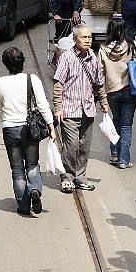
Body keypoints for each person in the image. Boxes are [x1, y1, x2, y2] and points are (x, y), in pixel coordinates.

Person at [0, 47, 57, 215]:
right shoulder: (32, 79)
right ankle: (35, 189)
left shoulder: (0, 82)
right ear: (23, 62)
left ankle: (23, 206)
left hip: (10, 129)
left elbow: (0, 107)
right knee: (31, 163)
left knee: (17, 169)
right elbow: (43, 106)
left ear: (5, 65)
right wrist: (51, 127)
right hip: (29, 130)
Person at [53, 24, 108, 193]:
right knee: (71, 145)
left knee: (84, 145)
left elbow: (98, 83)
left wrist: (104, 102)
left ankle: (80, 177)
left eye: (89, 37)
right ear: (75, 39)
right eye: (84, 37)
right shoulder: (67, 57)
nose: (88, 40)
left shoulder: (93, 56)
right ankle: (67, 177)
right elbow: (58, 83)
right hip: (69, 109)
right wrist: (58, 107)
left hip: (88, 109)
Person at [98, 18, 136, 169]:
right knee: (126, 125)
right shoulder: (132, 45)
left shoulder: (103, 48)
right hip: (129, 90)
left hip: (111, 91)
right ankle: (124, 160)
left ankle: (114, 154)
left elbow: (99, 70)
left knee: (116, 120)